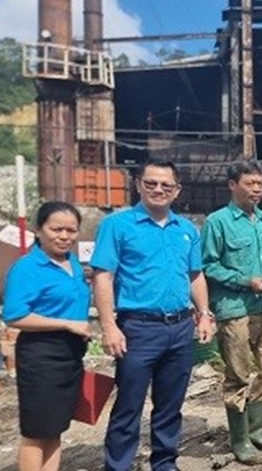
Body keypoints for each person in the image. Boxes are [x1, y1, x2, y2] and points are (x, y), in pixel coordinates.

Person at [91, 159, 215, 471]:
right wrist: (108, 326)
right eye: (151, 184)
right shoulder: (118, 226)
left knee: (170, 405)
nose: (158, 189)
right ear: (138, 185)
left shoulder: (186, 230)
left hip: (180, 328)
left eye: (166, 185)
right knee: (129, 405)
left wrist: (204, 314)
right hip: (138, 329)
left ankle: (165, 463)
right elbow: (103, 276)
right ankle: (118, 465)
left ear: (177, 190)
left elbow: (195, 276)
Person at [201, 160, 262, 464]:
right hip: (235, 309)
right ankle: (240, 439)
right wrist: (244, 281)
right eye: (249, 184)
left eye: (260, 184)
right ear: (232, 185)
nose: (256, 189)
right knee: (238, 376)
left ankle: (258, 428)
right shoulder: (217, 222)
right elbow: (208, 265)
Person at [2, 201, 90, 471]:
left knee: (55, 426)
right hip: (41, 357)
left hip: (70, 355)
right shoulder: (28, 267)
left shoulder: (72, 263)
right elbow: (15, 315)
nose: (64, 236)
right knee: (36, 431)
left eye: (71, 230)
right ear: (39, 230)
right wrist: (65, 324)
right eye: (56, 229)